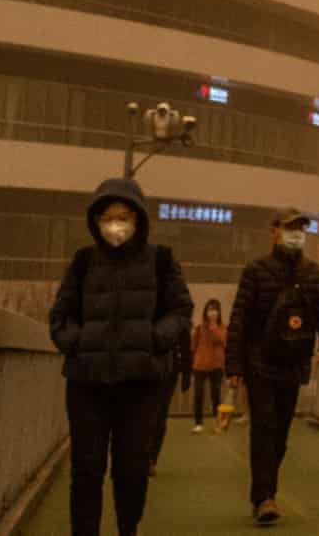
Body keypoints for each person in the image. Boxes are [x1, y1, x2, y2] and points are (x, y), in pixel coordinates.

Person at [48, 177, 193, 536]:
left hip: (141, 383)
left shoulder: (161, 260)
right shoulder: (83, 261)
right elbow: (59, 316)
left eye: (124, 216)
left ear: (139, 218)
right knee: (86, 470)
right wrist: (76, 343)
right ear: (95, 221)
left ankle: (129, 528)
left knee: (131, 470)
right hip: (86, 383)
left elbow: (181, 309)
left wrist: (154, 338)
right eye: (107, 217)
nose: (116, 225)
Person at [225, 207, 319, 527]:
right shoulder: (256, 271)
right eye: (289, 227)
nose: (296, 233)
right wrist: (234, 365)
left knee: (281, 434)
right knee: (264, 428)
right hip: (259, 363)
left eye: (301, 228)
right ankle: (264, 496)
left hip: (294, 364)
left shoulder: (313, 273)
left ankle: (264, 488)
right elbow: (239, 320)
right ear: (273, 231)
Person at [146, 311, 189, 475]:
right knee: (144, 415)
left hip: (168, 372)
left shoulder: (177, 311)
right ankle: (140, 456)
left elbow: (185, 342)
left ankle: (151, 459)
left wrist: (186, 371)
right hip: (144, 369)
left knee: (160, 415)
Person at [191, 298, 228, 433]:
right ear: (205, 312)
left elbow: (222, 340)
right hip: (200, 365)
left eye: (215, 310)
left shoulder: (223, 327)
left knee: (215, 395)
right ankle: (198, 423)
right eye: (209, 310)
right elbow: (193, 346)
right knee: (198, 395)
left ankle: (219, 423)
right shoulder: (200, 327)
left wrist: (213, 327)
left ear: (219, 313)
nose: (212, 313)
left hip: (216, 366)